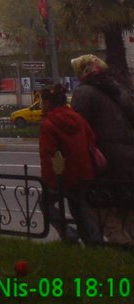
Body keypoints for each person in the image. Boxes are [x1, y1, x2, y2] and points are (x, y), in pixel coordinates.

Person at [70, 54, 134, 244]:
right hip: (128, 160)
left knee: (105, 212)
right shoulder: (118, 91)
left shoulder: (84, 94)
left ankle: (120, 251)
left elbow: (77, 129)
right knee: (127, 207)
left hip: (105, 162)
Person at [37, 84, 101, 243]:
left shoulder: (48, 124)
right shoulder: (78, 118)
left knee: (45, 202)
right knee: (82, 211)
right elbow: (91, 140)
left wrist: (50, 182)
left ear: (48, 103)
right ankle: (94, 243)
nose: (41, 106)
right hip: (84, 174)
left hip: (62, 177)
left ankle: (69, 233)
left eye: (43, 102)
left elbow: (48, 156)